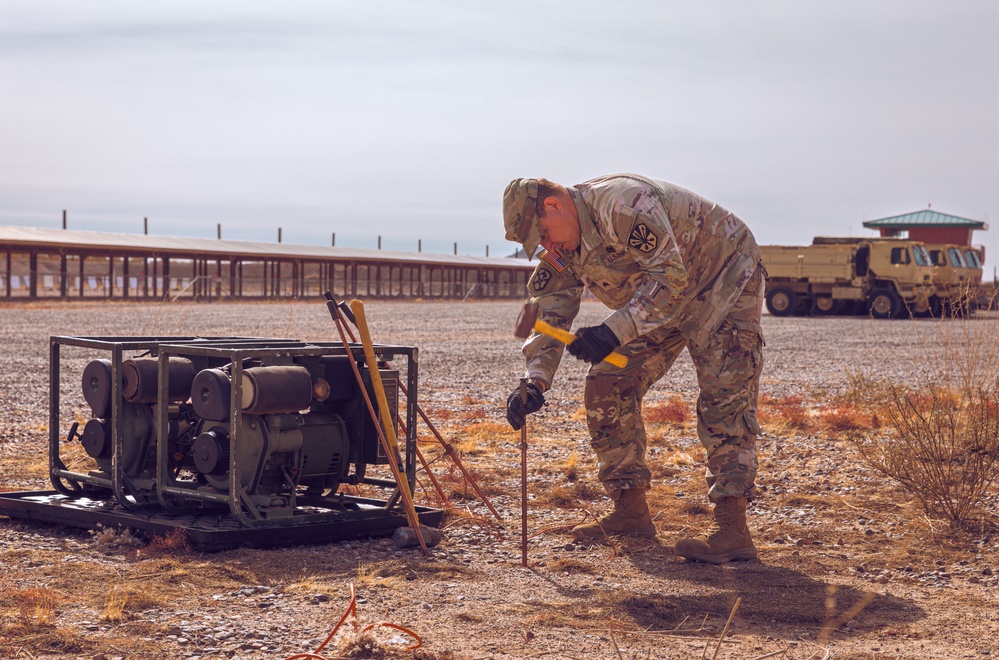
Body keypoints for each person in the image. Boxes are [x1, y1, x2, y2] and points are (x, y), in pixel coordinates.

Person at [502, 174, 765, 564]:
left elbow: (669, 277)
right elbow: (550, 311)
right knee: (608, 380)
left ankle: (732, 527)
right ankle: (630, 511)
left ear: (554, 205)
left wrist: (613, 331)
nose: (547, 245)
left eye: (542, 233)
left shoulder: (623, 204)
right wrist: (536, 380)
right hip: (658, 305)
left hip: (722, 280)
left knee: (725, 397)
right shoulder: (563, 245)